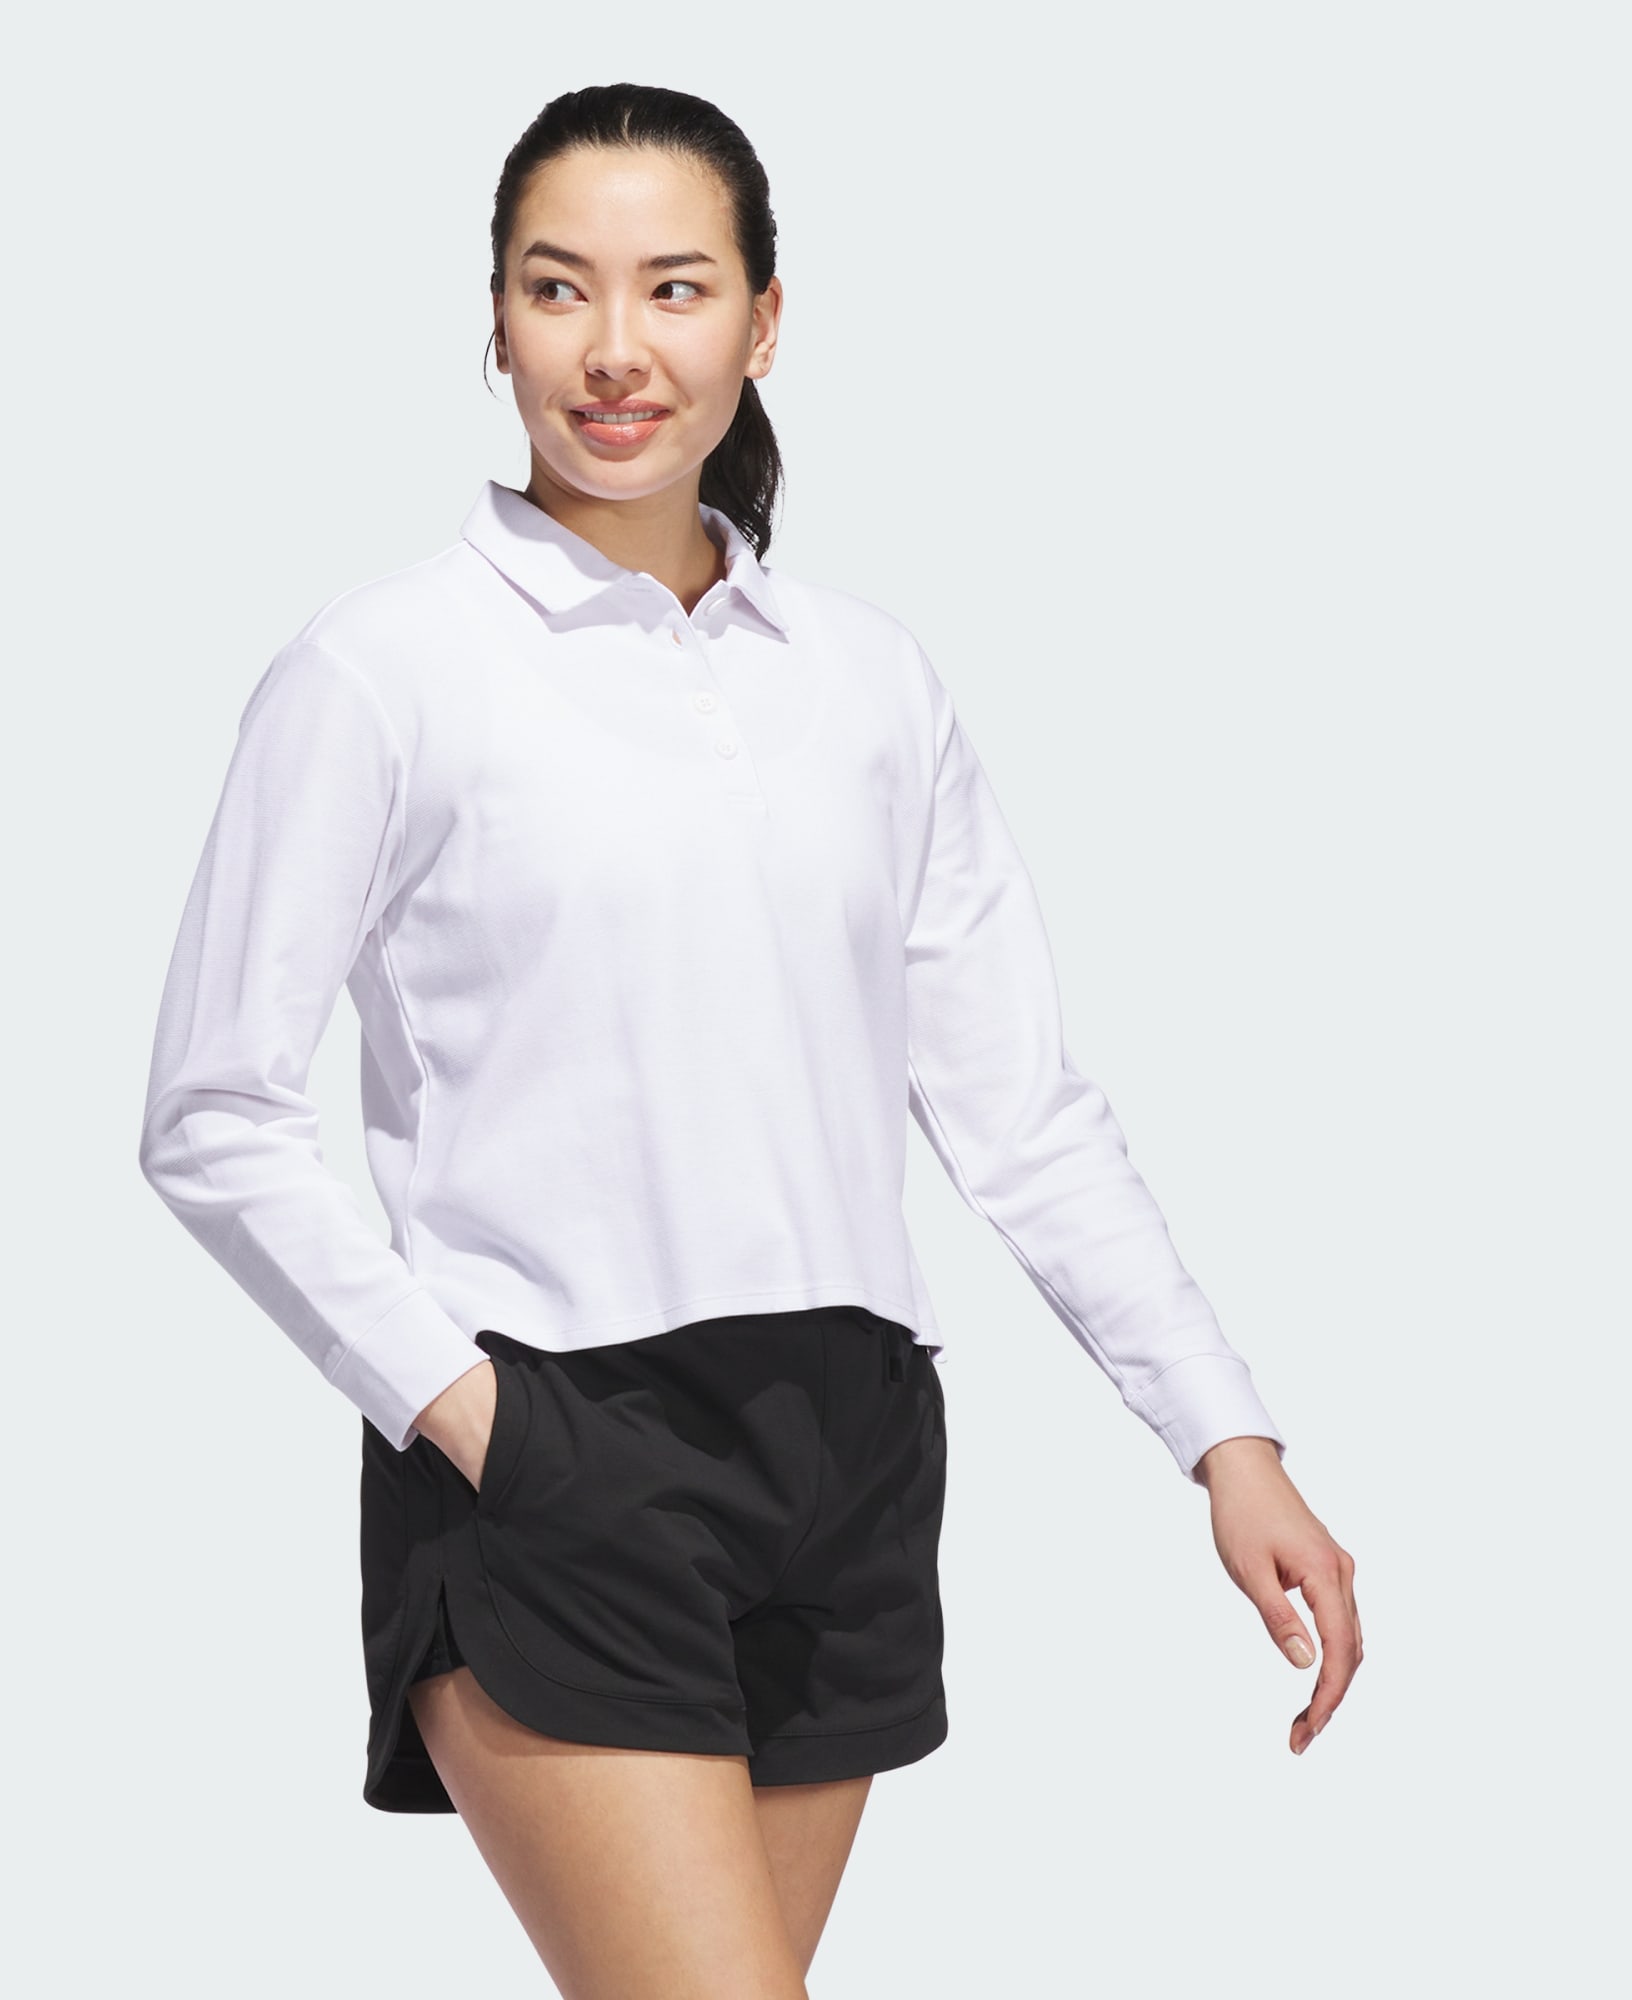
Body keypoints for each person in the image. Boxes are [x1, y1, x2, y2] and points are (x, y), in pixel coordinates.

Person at [138, 81, 1361, 1998]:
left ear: (765, 322)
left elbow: (1021, 1110)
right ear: (494, 321)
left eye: (676, 288)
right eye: (558, 289)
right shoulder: (384, 669)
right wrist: (465, 1412)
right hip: (555, 1445)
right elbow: (211, 1112)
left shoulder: (870, 684)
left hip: (848, 1451)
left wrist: (1226, 1435)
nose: (615, 349)